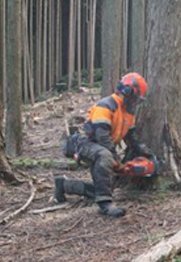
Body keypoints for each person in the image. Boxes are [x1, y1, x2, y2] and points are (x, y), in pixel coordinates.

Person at [54, 73, 153, 217]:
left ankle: (63, 185)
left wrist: (145, 152)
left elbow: (132, 138)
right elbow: (102, 137)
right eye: (135, 98)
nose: (135, 102)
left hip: (100, 148)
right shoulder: (106, 105)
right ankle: (105, 205)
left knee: (101, 188)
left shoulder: (128, 113)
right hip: (85, 143)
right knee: (105, 157)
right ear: (128, 91)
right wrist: (117, 162)